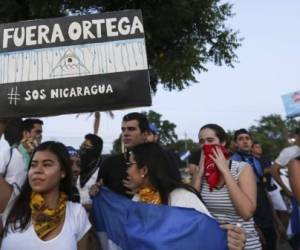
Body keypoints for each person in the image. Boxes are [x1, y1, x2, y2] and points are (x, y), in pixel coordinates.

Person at [91, 142, 247, 250]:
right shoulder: (138, 199)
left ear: (143, 170)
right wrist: (101, 196)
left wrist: (231, 239)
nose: (127, 171)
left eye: (130, 165)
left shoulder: (184, 198)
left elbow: (206, 237)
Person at [1, 141, 91, 250]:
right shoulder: (12, 203)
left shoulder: (77, 214)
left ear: (62, 172)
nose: (37, 170)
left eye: (47, 164)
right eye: (33, 165)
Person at [192, 124, 261, 249]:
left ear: (223, 142)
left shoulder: (242, 168)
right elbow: (192, 208)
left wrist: (225, 171)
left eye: (210, 140)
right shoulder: (201, 174)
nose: (206, 145)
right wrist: (199, 172)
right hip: (215, 244)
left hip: (245, 244)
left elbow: (247, 213)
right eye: (202, 141)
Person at [231, 129, 277, 250]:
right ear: (235, 143)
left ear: (251, 142)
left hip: (262, 201)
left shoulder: (256, 160)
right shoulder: (232, 161)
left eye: (247, 138)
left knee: (271, 236)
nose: (245, 141)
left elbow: (261, 184)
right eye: (241, 139)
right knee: (258, 241)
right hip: (246, 202)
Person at [0, 118, 43, 228]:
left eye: (41, 132)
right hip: (7, 211)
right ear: (25, 133)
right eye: (37, 132)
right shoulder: (9, 154)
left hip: (28, 211)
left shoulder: (40, 157)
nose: (40, 136)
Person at [96, 112, 150, 198]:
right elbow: (99, 194)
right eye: (123, 129)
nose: (125, 133)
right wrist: (94, 192)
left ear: (145, 134)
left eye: (131, 129)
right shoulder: (109, 163)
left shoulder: (159, 160)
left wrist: (145, 193)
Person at [77, 134, 103, 210]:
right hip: (75, 217)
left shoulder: (102, 170)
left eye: (86, 146)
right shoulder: (77, 167)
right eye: (82, 145)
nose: (82, 148)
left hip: (94, 218)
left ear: (95, 150)